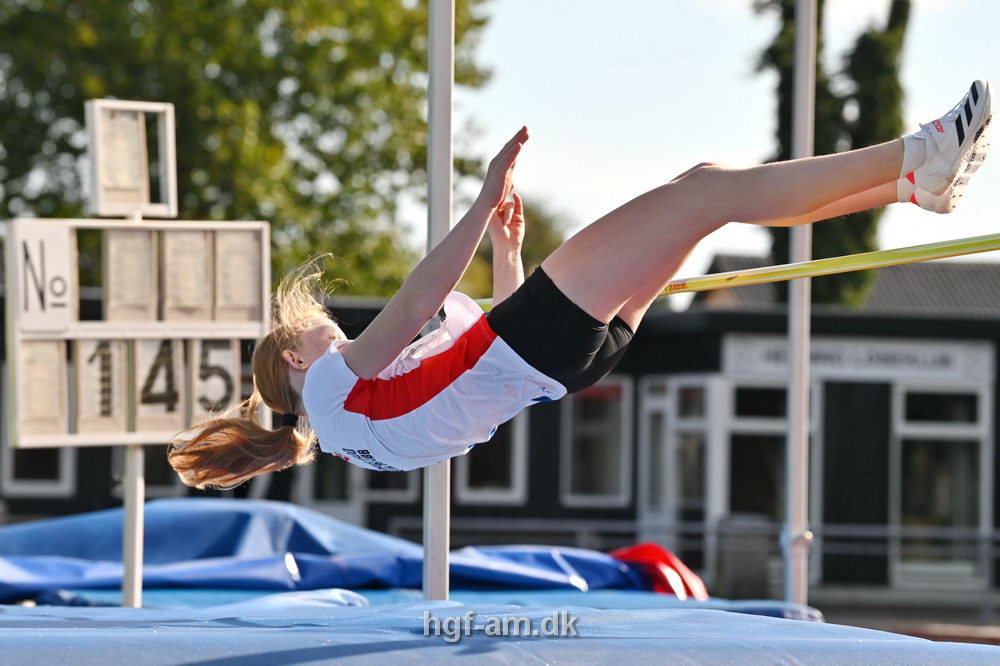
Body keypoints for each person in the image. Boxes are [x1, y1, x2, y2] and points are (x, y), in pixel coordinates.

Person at [169, 80, 992, 489]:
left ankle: (910, 189)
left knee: (703, 196)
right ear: (299, 364)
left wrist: (504, 249)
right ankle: (914, 155)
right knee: (702, 194)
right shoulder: (337, 389)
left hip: (559, 365)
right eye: (317, 329)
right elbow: (422, 301)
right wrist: (484, 195)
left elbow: (464, 369)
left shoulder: (352, 426)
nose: (332, 329)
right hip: (532, 345)